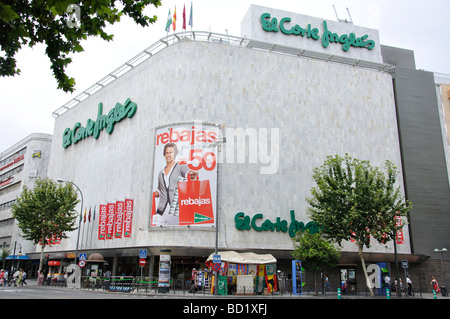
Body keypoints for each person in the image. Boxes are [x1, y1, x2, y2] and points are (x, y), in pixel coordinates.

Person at [154, 143, 198, 226]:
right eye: (167, 153)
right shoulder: (161, 173)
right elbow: (161, 191)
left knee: (173, 232)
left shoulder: (180, 166)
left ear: (175, 154)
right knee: (157, 231)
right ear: (164, 154)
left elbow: (188, 174)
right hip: (161, 210)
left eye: (171, 152)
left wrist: (192, 174)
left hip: (174, 209)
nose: (169, 155)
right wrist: (154, 194)